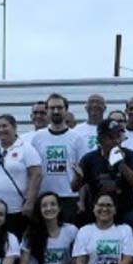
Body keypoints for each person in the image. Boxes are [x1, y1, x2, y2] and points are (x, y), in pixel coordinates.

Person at [0, 114, 41, 238]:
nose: (1, 130)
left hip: (15, 210)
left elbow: (36, 175)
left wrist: (30, 201)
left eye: (5, 126)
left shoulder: (26, 149)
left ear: (14, 127)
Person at [73, 120, 133, 229]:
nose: (116, 141)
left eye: (118, 136)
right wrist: (78, 178)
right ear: (100, 140)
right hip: (98, 213)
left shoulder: (129, 155)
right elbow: (74, 188)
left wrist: (121, 164)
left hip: (124, 212)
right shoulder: (89, 159)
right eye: (111, 137)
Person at [30, 93, 82, 223]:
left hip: (69, 197)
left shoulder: (77, 138)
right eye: (52, 108)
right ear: (47, 111)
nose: (56, 111)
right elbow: (32, 172)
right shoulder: (37, 138)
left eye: (59, 107)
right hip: (44, 198)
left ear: (66, 110)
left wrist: (82, 200)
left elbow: (83, 173)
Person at [72, 94, 107, 158]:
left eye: (98, 102)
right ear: (85, 108)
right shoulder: (76, 131)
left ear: (105, 108)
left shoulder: (109, 129)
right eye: (91, 102)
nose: (95, 105)